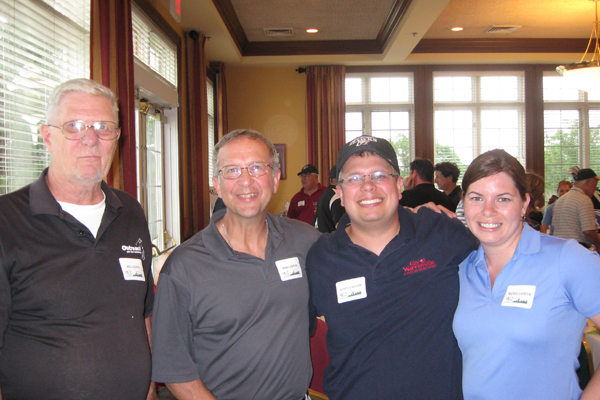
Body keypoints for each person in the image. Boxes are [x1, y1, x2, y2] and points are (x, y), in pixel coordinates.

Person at [0, 79, 154, 400]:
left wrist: (149, 387)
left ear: (117, 138)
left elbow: (142, 314)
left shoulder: (130, 213)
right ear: (47, 136)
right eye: (74, 126)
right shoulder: (7, 220)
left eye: (103, 127)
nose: (91, 139)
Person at [151, 129, 321, 400]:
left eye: (257, 168)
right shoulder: (184, 266)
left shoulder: (306, 240)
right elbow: (175, 370)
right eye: (232, 170)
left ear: (275, 179)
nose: (246, 181)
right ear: (217, 185)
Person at [306, 136, 478, 400]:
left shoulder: (441, 231)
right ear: (339, 193)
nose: (368, 186)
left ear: (399, 186)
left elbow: (500, 266)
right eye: (354, 178)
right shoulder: (319, 257)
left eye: (379, 175)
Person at [453, 149, 600, 400]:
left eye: (503, 199)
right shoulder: (462, 269)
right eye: (476, 198)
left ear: (524, 203)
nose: (488, 210)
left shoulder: (567, 259)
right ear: (463, 203)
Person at [553, 168, 600, 250]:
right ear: (588, 181)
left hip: (559, 247)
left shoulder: (560, 200)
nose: (596, 188)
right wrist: (598, 245)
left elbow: (554, 227)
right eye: (595, 184)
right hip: (576, 247)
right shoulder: (584, 199)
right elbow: (589, 232)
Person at [313, 165, 345, 233]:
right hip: (334, 238)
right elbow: (340, 226)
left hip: (324, 237)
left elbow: (315, 224)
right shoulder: (337, 196)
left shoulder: (324, 195)